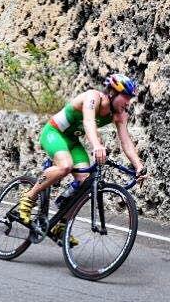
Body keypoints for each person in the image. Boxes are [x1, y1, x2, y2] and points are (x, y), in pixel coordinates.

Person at [15, 73, 147, 242]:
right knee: (65, 166)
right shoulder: (93, 97)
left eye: (130, 98)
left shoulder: (120, 114)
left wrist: (138, 166)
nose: (128, 102)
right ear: (112, 93)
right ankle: (29, 196)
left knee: (84, 182)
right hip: (54, 133)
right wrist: (97, 145)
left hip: (73, 141)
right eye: (126, 97)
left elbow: (126, 141)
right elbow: (88, 122)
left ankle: (61, 224)